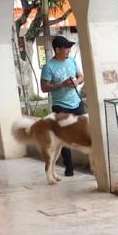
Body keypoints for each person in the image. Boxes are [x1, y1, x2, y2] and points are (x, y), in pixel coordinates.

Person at [39, 33, 85, 177]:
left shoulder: (71, 61)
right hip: (60, 106)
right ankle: (69, 166)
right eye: (66, 48)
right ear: (57, 49)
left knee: (87, 131)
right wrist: (62, 85)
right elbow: (44, 87)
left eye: (69, 48)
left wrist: (77, 82)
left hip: (76, 103)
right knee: (64, 138)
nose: (69, 50)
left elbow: (81, 76)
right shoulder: (48, 67)